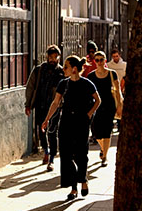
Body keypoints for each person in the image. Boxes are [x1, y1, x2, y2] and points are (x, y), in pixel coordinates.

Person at [42, 55, 101, 201]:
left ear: (74, 69)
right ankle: (74, 187)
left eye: (66, 66)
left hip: (81, 122)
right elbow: (55, 103)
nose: (63, 68)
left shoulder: (87, 84)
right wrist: (47, 119)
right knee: (66, 155)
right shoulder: (63, 83)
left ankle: (83, 179)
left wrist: (88, 114)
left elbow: (98, 100)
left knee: (81, 154)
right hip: (66, 121)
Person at [25, 45, 64, 169]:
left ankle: (51, 158)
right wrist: (28, 104)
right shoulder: (38, 70)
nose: (52, 59)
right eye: (50, 56)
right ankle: (46, 151)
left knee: (52, 132)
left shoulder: (61, 72)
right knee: (41, 131)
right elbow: (30, 87)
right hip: (41, 105)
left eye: (55, 57)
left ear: (58, 57)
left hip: (55, 107)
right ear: (47, 57)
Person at [89, 50, 122, 166]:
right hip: (96, 105)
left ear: (105, 61)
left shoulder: (112, 73)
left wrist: (119, 106)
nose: (99, 62)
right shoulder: (91, 76)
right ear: (95, 61)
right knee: (97, 131)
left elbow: (118, 91)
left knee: (107, 131)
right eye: (97, 60)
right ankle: (103, 149)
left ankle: (105, 157)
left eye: (101, 60)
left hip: (109, 104)